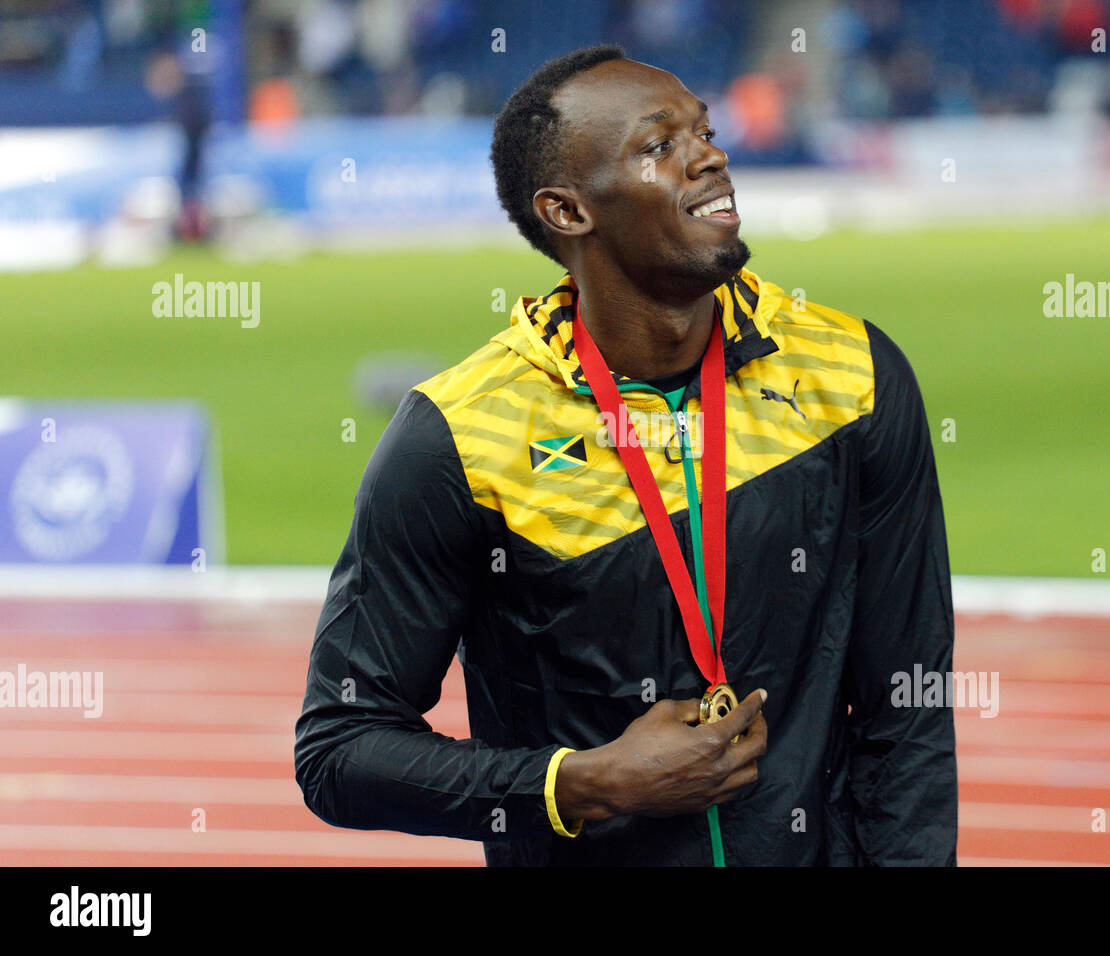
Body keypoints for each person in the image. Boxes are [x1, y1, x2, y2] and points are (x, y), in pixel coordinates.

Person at [294, 44, 957, 866]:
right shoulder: (460, 438)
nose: (709, 155)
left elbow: (909, 706)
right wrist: (584, 784)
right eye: (658, 145)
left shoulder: (849, 375)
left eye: (705, 131)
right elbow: (340, 748)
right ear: (568, 212)